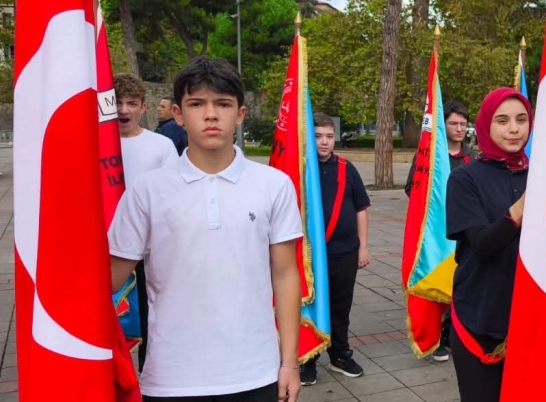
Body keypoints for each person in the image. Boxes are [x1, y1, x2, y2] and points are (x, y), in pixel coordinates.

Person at [108, 57, 303, 402]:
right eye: (197, 104)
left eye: (223, 104)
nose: (211, 115)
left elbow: (286, 274)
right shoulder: (147, 190)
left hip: (255, 371)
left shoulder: (274, 185)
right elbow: (108, 278)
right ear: (179, 114)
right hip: (172, 376)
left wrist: (289, 363)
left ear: (240, 114)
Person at [446, 88, 532, 402]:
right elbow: (482, 244)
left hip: (531, 313)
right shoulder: (465, 179)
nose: (514, 128)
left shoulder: (539, 173)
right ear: (485, 125)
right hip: (480, 315)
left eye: (521, 119)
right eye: (503, 120)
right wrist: (522, 207)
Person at [113, 74, 179, 373]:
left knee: (152, 316)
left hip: (149, 249)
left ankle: (150, 374)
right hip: (107, 248)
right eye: (117, 103)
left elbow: (172, 198)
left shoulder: (161, 146)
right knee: (111, 319)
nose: (124, 110)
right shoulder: (94, 143)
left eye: (131, 103)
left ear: (143, 107)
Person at [300, 113, 371, 386]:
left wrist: (363, 246)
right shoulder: (302, 168)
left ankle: (340, 354)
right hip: (310, 256)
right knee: (311, 305)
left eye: (329, 136)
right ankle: (308, 358)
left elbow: (361, 210)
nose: (324, 142)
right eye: (318, 136)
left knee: (341, 306)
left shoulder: (346, 168)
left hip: (345, 252)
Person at [405, 99, 476, 361]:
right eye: (453, 123)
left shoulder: (473, 157)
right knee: (437, 286)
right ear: (443, 125)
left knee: (461, 287)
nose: (459, 129)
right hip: (437, 236)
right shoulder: (430, 155)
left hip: (465, 235)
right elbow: (412, 188)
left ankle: (453, 334)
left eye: (463, 124)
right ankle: (435, 338)